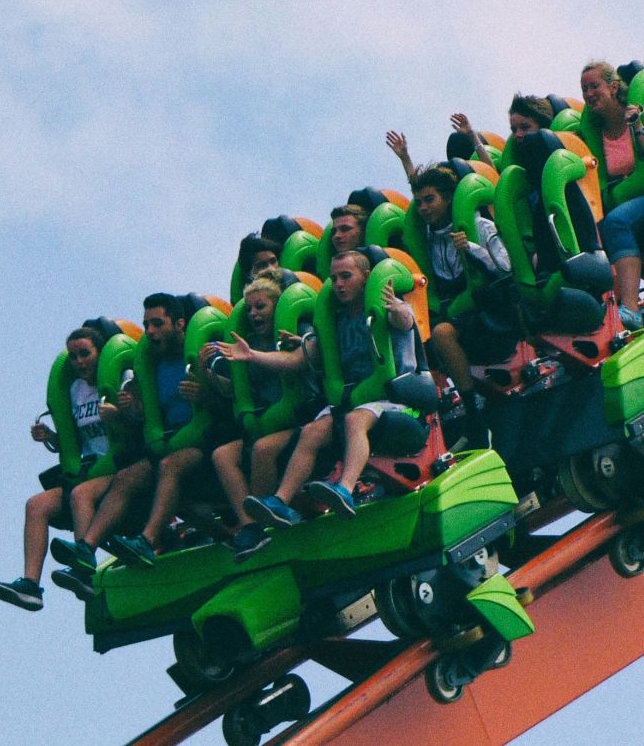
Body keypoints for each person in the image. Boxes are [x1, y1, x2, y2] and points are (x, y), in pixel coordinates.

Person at [245, 249, 424, 523]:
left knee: (355, 420)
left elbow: (405, 321)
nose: (339, 284)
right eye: (334, 278)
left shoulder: (385, 306)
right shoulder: (335, 320)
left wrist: (397, 309)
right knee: (312, 432)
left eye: (346, 276)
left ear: (365, 278)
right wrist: (260, 353)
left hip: (396, 399)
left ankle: (345, 488)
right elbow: (307, 356)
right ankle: (281, 501)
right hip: (351, 399)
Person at [0, 328, 144, 610]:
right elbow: (79, 440)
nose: (78, 361)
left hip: (121, 466)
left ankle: (84, 570)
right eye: (74, 356)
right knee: (36, 505)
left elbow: (142, 427)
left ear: (101, 353)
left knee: (80, 494)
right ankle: (30, 586)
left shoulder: (122, 381)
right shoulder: (75, 390)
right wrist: (51, 437)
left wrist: (122, 414)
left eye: (85, 354)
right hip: (89, 469)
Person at [88, 294, 216, 569]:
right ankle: (87, 547)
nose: (150, 332)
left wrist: (205, 395)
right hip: (166, 442)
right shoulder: (150, 366)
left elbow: (229, 401)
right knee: (126, 477)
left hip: (204, 441)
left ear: (180, 324)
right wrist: (131, 409)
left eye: (158, 324)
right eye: (147, 325)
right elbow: (146, 418)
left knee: (170, 466)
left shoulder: (199, 353)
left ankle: (147, 540)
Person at [198, 277, 319, 560]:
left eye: (261, 307)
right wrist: (207, 374)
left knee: (263, 449)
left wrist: (253, 355)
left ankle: (265, 520)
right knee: (222, 455)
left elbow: (299, 363)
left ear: (277, 307)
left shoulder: (296, 333)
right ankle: (249, 525)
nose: (254, 314)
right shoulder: (247, 344)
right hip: (265, 421)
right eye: (250, 309)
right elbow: (237, 392)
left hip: (301, 418)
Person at [381, 138, 512, 392]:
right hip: (459, 315)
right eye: (419, 203)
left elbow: (505, 268)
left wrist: (472, 249)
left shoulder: (479, 227)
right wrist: (406, 159)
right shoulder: (429, 241)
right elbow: (420, 190)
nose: (424, 208)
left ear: (449, 199)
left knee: (441, 332)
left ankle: (471, 409)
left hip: (492, 312)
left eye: (430, 200)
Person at [579, 60, 644, 326]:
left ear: (613, 87)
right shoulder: (594, 132)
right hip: (626, 202)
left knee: (616, 221)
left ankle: (631, 309)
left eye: (594, 87)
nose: (589, 94)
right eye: (584, 89)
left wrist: (638, 126)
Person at [450, 94, 557, 171]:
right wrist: (472, 135)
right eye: (514, 130)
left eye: (525, 127)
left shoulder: (556, 154)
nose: (518, 134)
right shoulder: (517, 160)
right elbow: (495, 179)